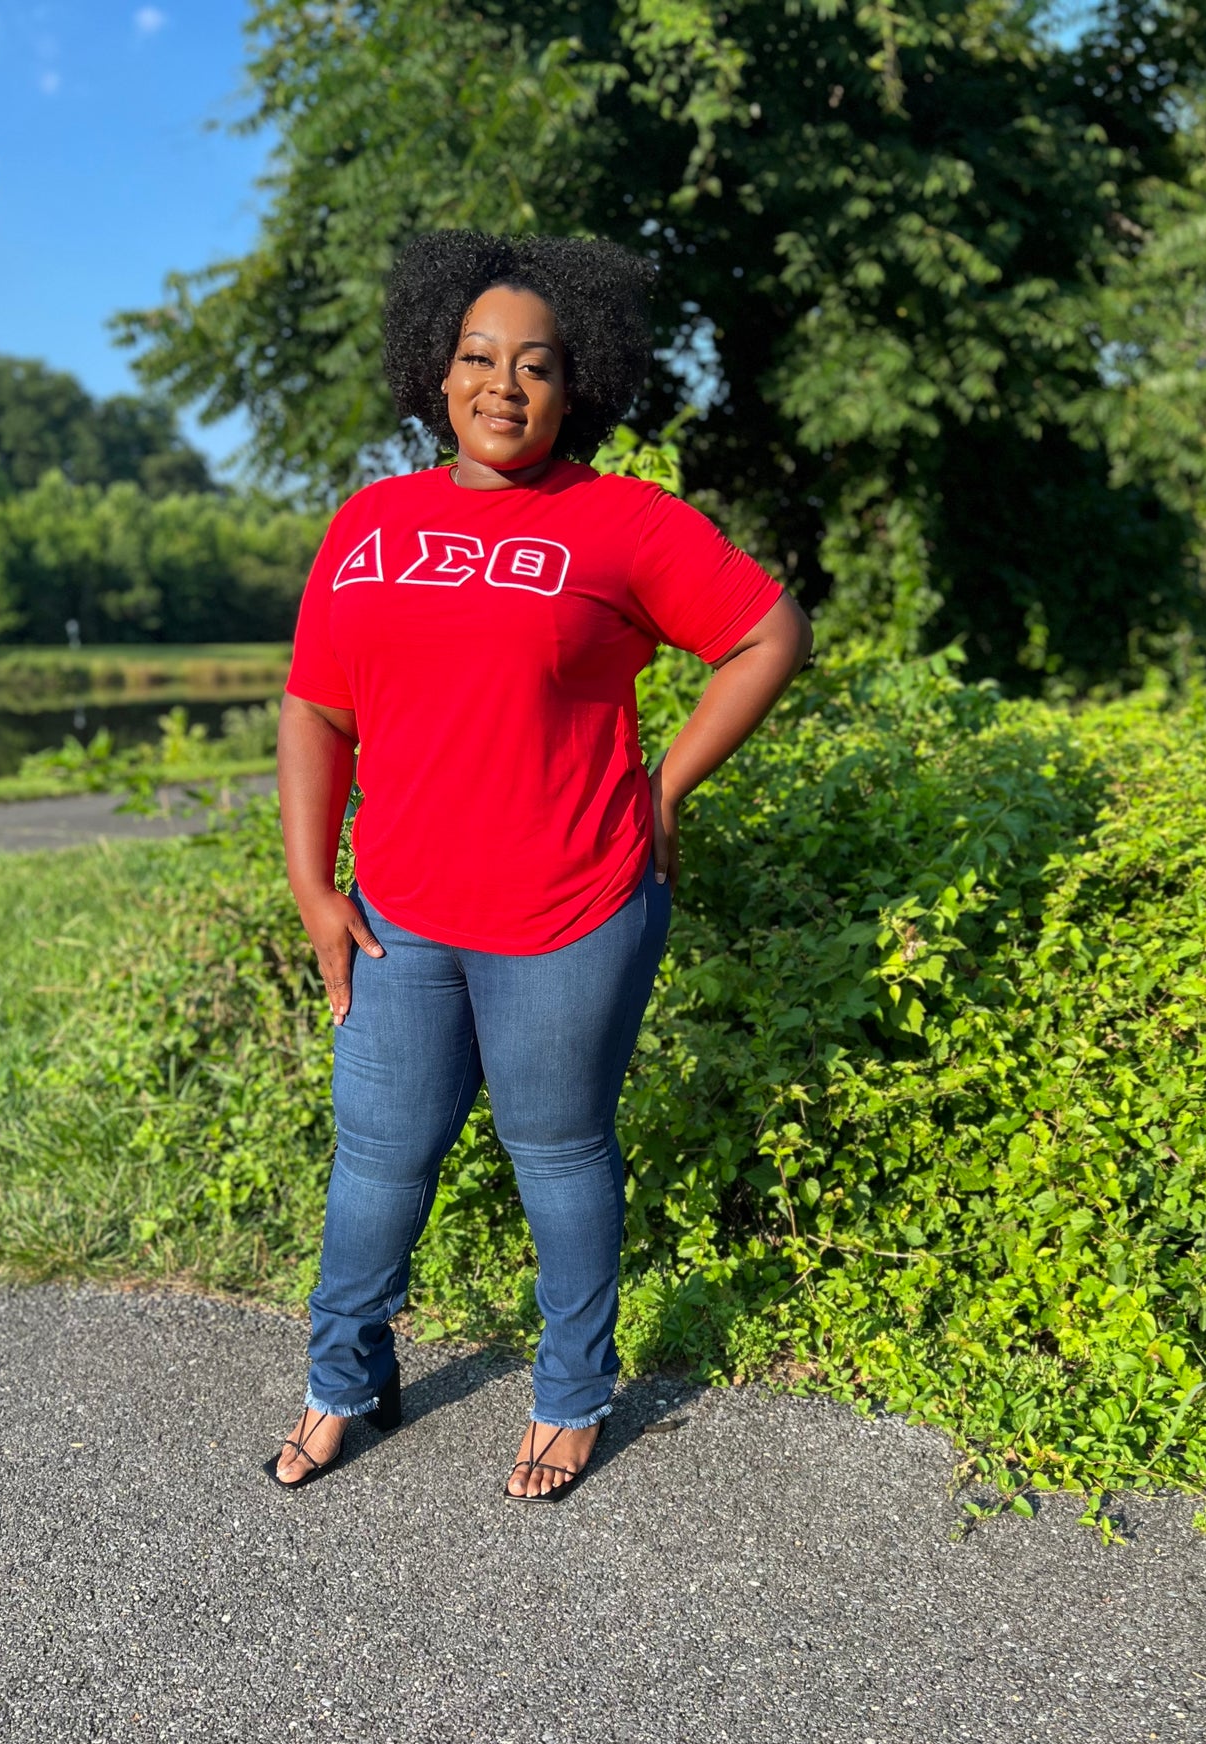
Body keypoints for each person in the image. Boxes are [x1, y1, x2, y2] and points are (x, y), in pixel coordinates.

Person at [268, 229, 812, 1502]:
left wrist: (664, 780)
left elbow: (765, 633)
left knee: (557, 1153)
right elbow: (315, 709)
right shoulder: (370, 522)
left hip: (571, 909)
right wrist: (314, 888)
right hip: (400, 915)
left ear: (580, 385)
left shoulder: (620, 521)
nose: (500, 385)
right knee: (375, 1162)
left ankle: (571, 1392)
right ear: (434, 369)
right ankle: (343, 1380)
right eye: (474, 357)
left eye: (535, 364)